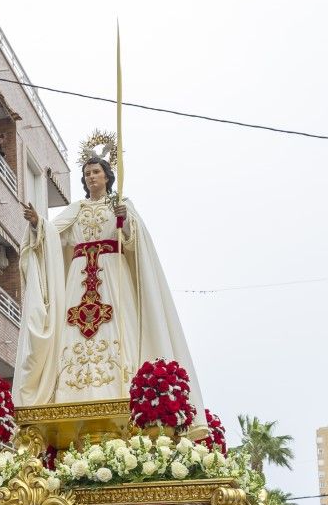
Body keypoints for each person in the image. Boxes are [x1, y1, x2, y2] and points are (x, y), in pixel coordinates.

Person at [15, 144, 202, 408]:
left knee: (118, 323)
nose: (91, 176)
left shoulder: (121, 204)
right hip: (79, 279)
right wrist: (37, 224)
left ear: (107, 176)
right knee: (73, 332)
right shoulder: (76, 209)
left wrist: (124, 220)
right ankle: (71, 392)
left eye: (96, 171)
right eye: (87, 173)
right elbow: (53, 236)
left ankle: (122, 385)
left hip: (112, 274)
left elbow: (134, 244)